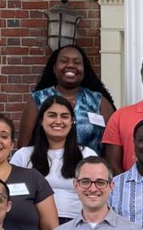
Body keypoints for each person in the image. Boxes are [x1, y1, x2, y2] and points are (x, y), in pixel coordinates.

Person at [18, 44, 117, 156]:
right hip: (45, 170)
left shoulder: (99, 102)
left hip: (90, 170)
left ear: (84, 69)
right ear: (54, 68)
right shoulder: (38, 99)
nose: (70, 65)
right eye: (64, 61)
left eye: (77, 62)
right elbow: (24, 145)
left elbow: (112, 146)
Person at [10, 94, 95, 223]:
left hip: (78, 224)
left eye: (64, 116)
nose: (58, 121)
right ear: (41, 121)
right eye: (52, 115)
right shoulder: (23, 156)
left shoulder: (87, 155)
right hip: (34, 226)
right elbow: (12, 194)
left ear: (72, 122)